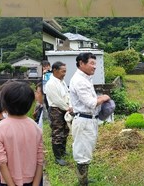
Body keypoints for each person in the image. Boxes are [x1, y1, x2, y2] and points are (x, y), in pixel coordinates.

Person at [69, 52, 110, 186]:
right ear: (81, 63)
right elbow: (91, 102)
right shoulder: (79, 80)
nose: (94, 67)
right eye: (91, 63)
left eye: (95, 64)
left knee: (87, 149)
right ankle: (82, 182)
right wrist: (104, 98)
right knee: (82, 152)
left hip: (88, 120)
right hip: (84, 121)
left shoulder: (85, 78)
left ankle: (84, 179)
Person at [0, 80, 43, 186]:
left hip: (8, 181)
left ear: (4, 103)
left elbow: (1, 162)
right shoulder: (35, 126)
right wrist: (36, 183)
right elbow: (40, 159)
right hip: (32, 180)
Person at [45, 61, 71, 166]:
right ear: (55, 70)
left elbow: (67, 94)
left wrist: (69, 106)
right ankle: (58, 157)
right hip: (56, 109)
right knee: (57, 133)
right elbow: (56, 100)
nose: (64, 73)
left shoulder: (61, 81)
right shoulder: (51, 83)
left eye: (65, 71)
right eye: (62, 71)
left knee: (65, 130)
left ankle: (62, 151)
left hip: (65, 108)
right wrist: (67, 108)